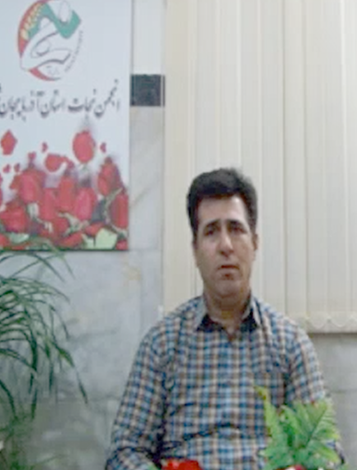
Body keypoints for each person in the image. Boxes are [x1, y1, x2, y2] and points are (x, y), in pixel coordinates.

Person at [106, 168, 339, 470]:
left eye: (236, 229)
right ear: (195, 250)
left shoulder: (290, 342)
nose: (226, 245)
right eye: (211, 231)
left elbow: (323, 448)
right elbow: (124, 452)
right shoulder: (161, 344)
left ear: (255, 243)